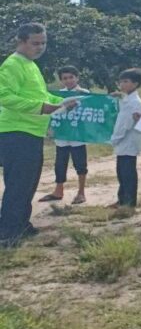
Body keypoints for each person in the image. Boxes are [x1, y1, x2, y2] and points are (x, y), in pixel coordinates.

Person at [0, 23, 78, 246]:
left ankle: (21, 224)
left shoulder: (31, 65)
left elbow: (42, 95)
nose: (40, 47)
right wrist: (41, 108)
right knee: (18, 184)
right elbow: (4, 96)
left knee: (28, 183)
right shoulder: (13, 64)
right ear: (21, 41)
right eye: (35, 43)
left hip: (32, 131)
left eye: (43, 43)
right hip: (16, 132)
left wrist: (61, 102)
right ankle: (8, 232)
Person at [40, 65, 91, 204]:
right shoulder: (58, 95)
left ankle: (81, 192)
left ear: (77, 78)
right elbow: (53, 111)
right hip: (62, 135)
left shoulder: (84, 93)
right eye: (65, 78)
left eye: (71, 77)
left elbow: (90, 112)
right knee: (60, 164)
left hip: (78, 136)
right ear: (61, 80)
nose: (68, 80)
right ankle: (58, 191)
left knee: (80, 164)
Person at [108, 68, 141, 209]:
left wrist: (115, 138)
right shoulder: (127, 99)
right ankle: (122, 199)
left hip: (128, 140)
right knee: (121, 172)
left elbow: (126, 124)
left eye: (126, 81)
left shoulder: (134, 102)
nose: (122, 84)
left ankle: (129, 201)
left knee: (127, 172)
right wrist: (120, 96)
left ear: (135, 84)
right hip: (123, 141)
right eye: (121, 82)